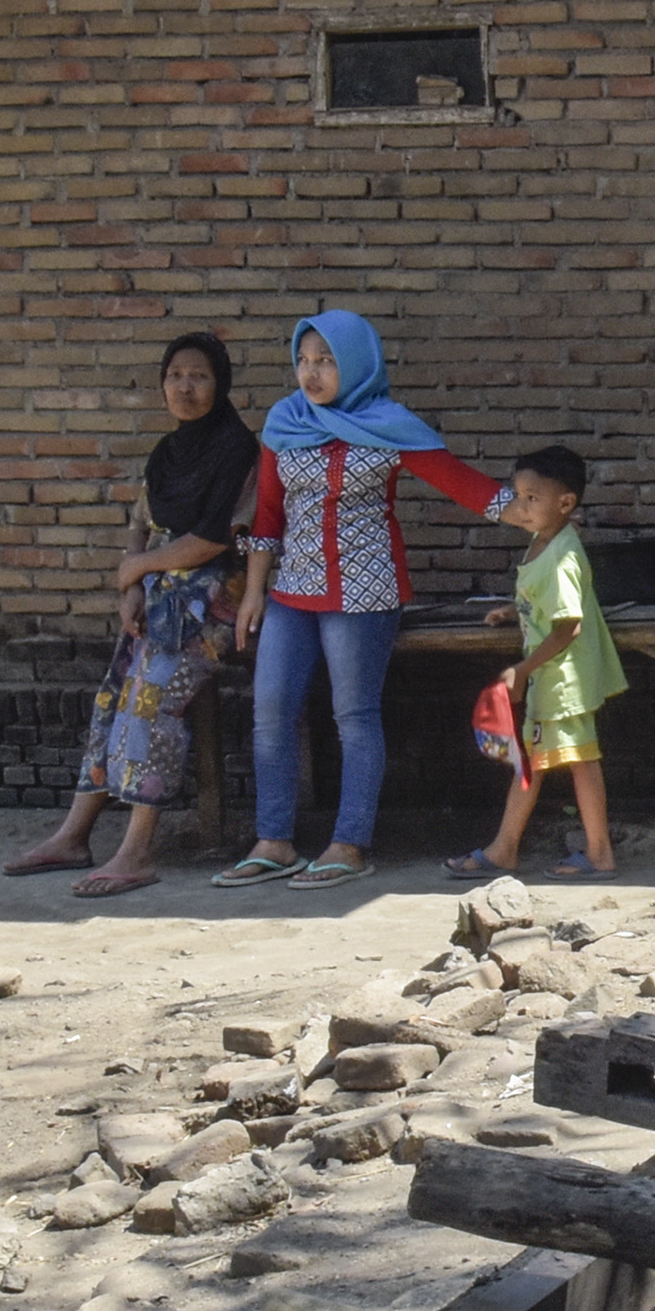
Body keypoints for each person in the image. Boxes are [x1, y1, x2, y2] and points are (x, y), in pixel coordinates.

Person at [216, 310, 507, 890]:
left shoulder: (386, 424)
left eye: (326, 360)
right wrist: (253, 592)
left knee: (353, 716)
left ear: (355, 364)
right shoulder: (285, 422)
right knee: (270, 711)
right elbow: (268, 517)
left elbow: (459, 482)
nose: (311, 373)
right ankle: (273, 841)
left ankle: (349, 842)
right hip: (291, 594)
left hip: (365, 592)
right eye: (304, 359)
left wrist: (534, 516)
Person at [6, 332, 257, 897]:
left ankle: (138, 849)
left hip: (214, 603)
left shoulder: (239, 451)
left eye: (198, 376)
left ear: (221, 386)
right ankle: (74, 834)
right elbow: (141, 523)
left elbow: (215, 540)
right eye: (174, 376)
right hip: (161, 596)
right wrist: (132, 585)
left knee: (151, 700)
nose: (184, 386)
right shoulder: (167, 454)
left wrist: (138, 567)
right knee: (111, 699)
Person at [449, 446, 628, 882]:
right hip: (553, 680)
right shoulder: (543, 542)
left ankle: (596, 853)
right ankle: (505, 848)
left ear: (566, 503)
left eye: (532, 498)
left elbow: (569, 626)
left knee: (576, 761)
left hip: (563, 681)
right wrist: (517, 612)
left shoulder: (563, 555)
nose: (521, 507)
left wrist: (523, 669)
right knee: (534, 760)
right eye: (518, 496)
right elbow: (547, 604)